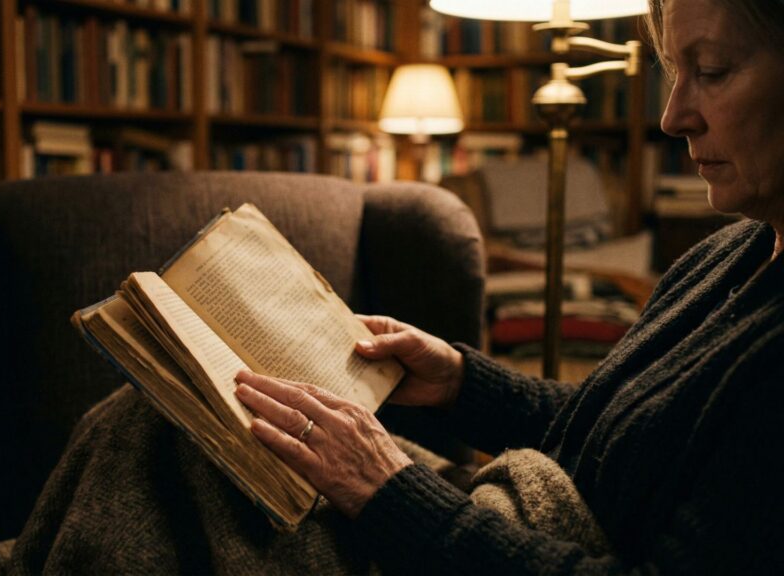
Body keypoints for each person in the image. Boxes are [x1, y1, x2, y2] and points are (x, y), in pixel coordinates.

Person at [232, 0, 784, 572]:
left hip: (495, 540)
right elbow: (621, 429)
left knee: (182, 445)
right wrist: (459, 383)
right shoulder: (732, 253)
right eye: (673, 73)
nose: (672, 117)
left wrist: (389, 495)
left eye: (713, 71)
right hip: (501, 516)